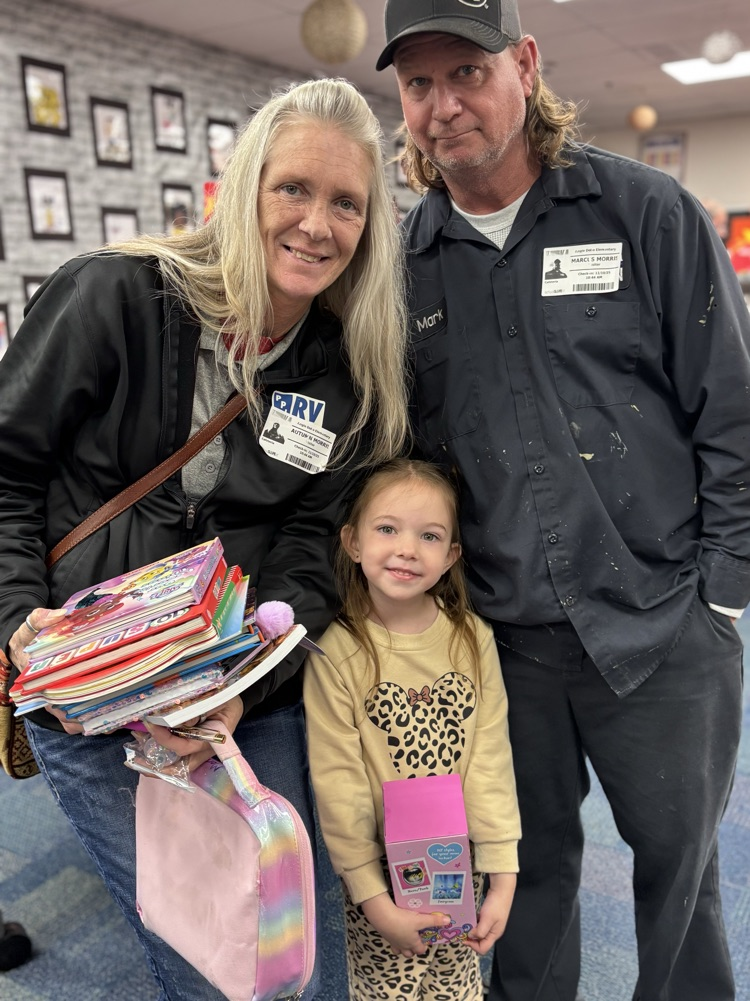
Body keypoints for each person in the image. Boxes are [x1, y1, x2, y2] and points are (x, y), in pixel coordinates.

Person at [0, 77, 409, 1001]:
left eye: (346, 202)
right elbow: (8, 469)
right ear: (245, 188)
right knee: (210, 972)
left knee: (291, 954)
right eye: (293, 188)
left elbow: (309, 550)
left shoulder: (342, 372)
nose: (316, 224)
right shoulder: (113, 295)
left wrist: (243, 688)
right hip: (92, 685)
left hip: (237, 687)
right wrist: (17, 618)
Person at [375, 2, 750, 999]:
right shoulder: (402, 269)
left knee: (679, 877)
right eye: (419, 84)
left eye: (467, 71)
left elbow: (732, 409)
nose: (444, 104)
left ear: (526, 65)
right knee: (522, 873)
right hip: (503, 645)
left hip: (660, 624)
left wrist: (724, 589)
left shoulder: (647, 214)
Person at [304, 458, 521, 1000]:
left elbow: (491, 759)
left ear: (450, 556)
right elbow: (338, 782)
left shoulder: (471, 638)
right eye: (387, 528)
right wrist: (374, 899)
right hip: (381, 877)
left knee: (457, 987)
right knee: (388, 991)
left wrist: (502, 876)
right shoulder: (336, 651)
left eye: (429, 536)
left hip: (460, 863)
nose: (407, 549)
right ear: (352, 542)